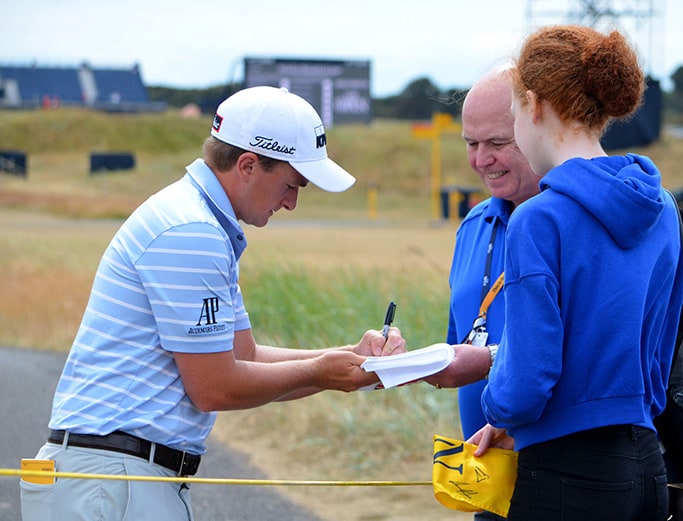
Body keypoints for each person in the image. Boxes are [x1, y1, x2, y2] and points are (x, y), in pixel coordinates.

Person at [20, 86, 406, 521]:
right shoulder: (193, 231)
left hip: (115, 477)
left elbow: (247, 357)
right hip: (114, 479)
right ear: (247, 165)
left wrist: (348, 358)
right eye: (291, 184)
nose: (292, 203)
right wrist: (323, 371)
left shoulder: (199, 221)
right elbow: (215, 388)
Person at [466, 26, 683, 521]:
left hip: (566, 475)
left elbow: (528, 379)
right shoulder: (663, 208)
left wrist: (499, 410)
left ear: (535, 106)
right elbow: (659, 351)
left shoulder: (538, 219)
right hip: (648, 467)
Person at [424, 67, 541, 521]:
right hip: (488, 481)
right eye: (471, 144)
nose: (480, 159)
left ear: (538, 130)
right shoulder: (473, 227)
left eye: (496, 143)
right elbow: (463, 342)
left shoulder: (575, 226)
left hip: (563, 480)